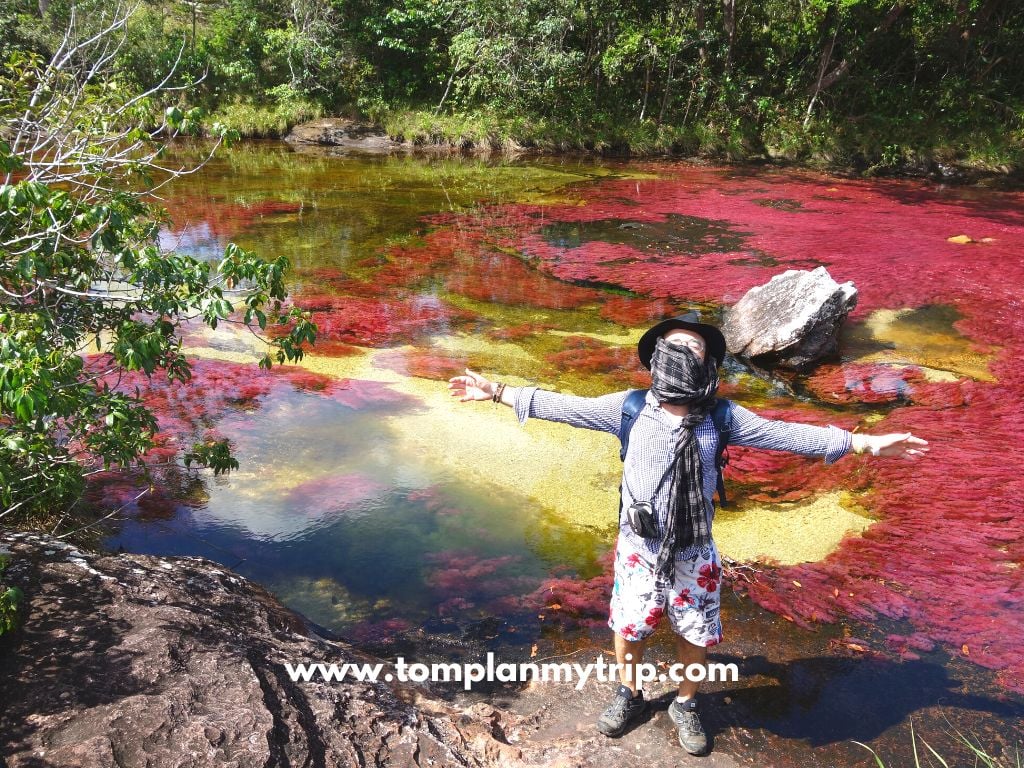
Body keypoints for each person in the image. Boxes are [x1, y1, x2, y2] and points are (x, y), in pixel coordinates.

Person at [447, 313, 928, 756]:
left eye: (691, 346)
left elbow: (787, 434)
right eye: (670, 344)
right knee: (629, 627)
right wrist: (496, 391)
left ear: (708, 362)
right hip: (639, 548)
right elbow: (563, 406)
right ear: (655, 356)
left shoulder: (722, 417)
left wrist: (864, 442)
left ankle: (686, 701)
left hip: (693, 551)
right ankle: (630, 694)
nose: (679, 351)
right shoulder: (629, 408)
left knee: (694, 632)